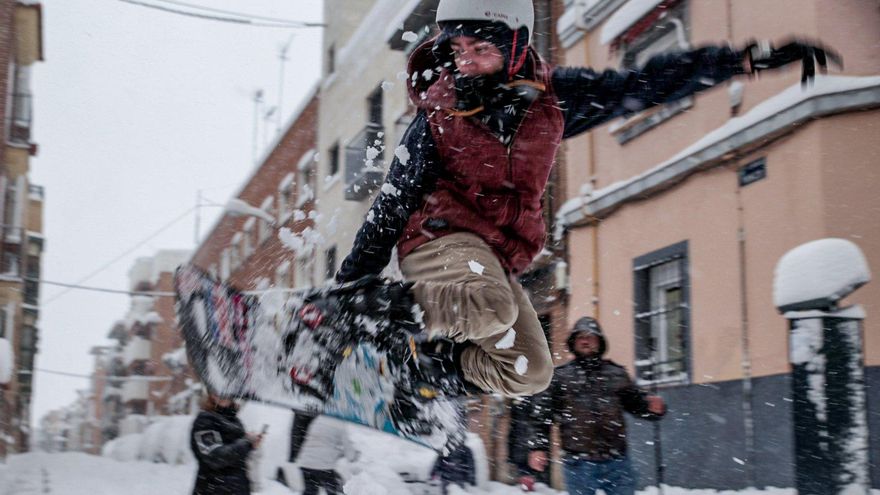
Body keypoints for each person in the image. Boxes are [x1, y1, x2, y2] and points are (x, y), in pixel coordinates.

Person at [335, 0, 840, 398]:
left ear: (514, 47)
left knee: (530, 370)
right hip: (437, 241)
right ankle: (371, 320)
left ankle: (417, 374)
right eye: (459, 49)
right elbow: (392, 203)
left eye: (481, 50)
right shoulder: (437, 117)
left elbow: (644, 84)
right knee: (488, 307)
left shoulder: (555, 99)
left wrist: (743, 61)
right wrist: (351, 284)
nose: (466, 62)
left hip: (494, 258)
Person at [527, 317, 666, 495]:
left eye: (590, 336)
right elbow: (541, 416)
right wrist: (538, 447)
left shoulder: (616, 374)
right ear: (573, 342)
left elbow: (636, 405)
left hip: (617, 461)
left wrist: (652, 408)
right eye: (580, 337)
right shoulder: (559, 377)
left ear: (599, 341)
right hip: (578, 464)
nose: (585, 340)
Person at [190, 393, 264, 495]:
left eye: (227, 393)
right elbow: (215, 457)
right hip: (213, 489)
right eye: (217, 392)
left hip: (237, 488)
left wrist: (252, 443)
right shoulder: (204, 421)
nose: (222, 396)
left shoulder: (235, 420)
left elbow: (238, 456)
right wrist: (247, 443)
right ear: (211, 395)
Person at [294, 413, 354, 495]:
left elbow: (321, 442)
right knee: (332, 491)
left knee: (310, 492)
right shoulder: (340, 424)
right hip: (323, 466)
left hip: (306, 462)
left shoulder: (319, 418)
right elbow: (349, 451)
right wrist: (352, 456)